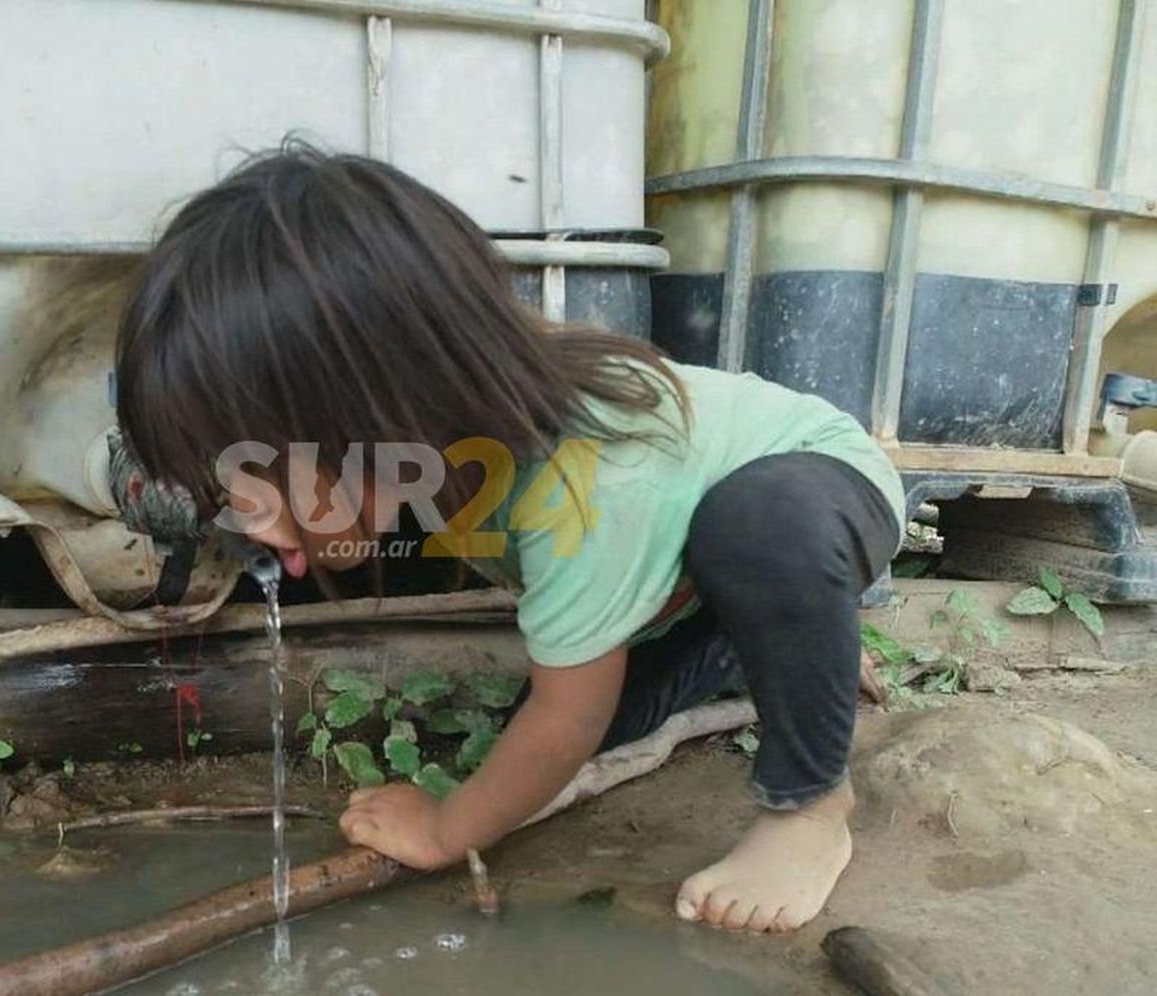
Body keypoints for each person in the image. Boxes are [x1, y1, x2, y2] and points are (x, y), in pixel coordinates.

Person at [115, 142, 905, 933]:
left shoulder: (589, 479)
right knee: (577, 728)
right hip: (686, 561)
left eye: (265, 478)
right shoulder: (445, 437)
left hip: (814, 490)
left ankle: (809, 805)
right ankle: (774, 643)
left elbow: (567, 722)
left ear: (382, 408)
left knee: (720, 569)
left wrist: (447, 827)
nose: (247, 516)